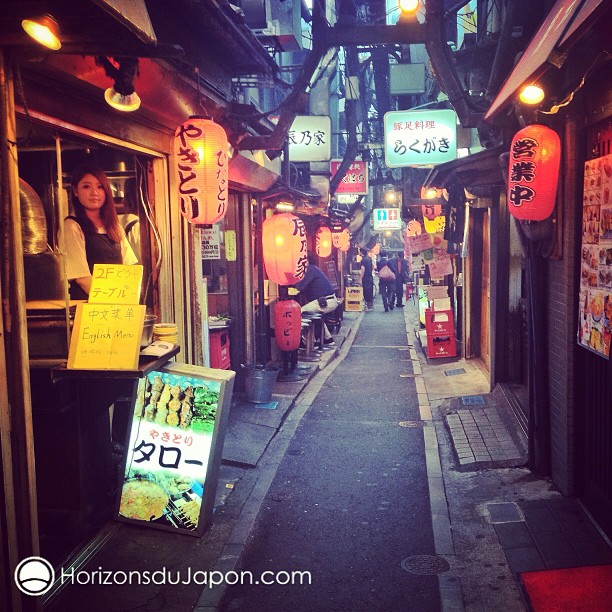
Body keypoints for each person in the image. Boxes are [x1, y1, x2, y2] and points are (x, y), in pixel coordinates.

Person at [64, 163, 138, 300]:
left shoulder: (114, 226)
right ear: (75, 191)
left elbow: (129, 268)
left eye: (100, 187)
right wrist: (114, 300)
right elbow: (82, 278)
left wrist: (130, 298)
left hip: (117, 305)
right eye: (86, 186)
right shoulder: (72, 226)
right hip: (89, 309)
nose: (94, 193)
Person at [294, 252, 338, 346]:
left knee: (300, 313)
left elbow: (299, 287)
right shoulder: (314, 269)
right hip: (329, 300)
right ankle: (328, 339)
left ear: (306, 261)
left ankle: (307, 343)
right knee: (317, 315)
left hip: (325, 302)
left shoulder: (310, 270)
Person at [359, 246, 374, 311]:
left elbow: (363, 269)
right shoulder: (369, 258)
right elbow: (372, 267)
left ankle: (368, 306)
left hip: (365, 278)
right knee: (370, 291)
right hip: (370, 277)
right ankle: (370, 305)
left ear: (361, 252)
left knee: (366, 292)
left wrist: (360, 278)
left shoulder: (364, 260)